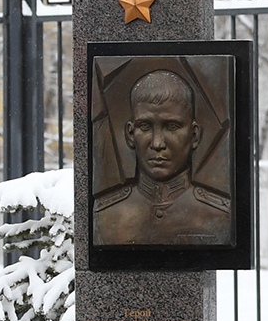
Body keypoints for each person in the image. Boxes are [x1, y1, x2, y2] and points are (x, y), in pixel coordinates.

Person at [93, 67, 233, 246]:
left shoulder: (219, 214)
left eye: (172, 127)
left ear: (194, 136)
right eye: (145, 126)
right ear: (130, 134)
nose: (157, 143)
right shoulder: (105, 214)